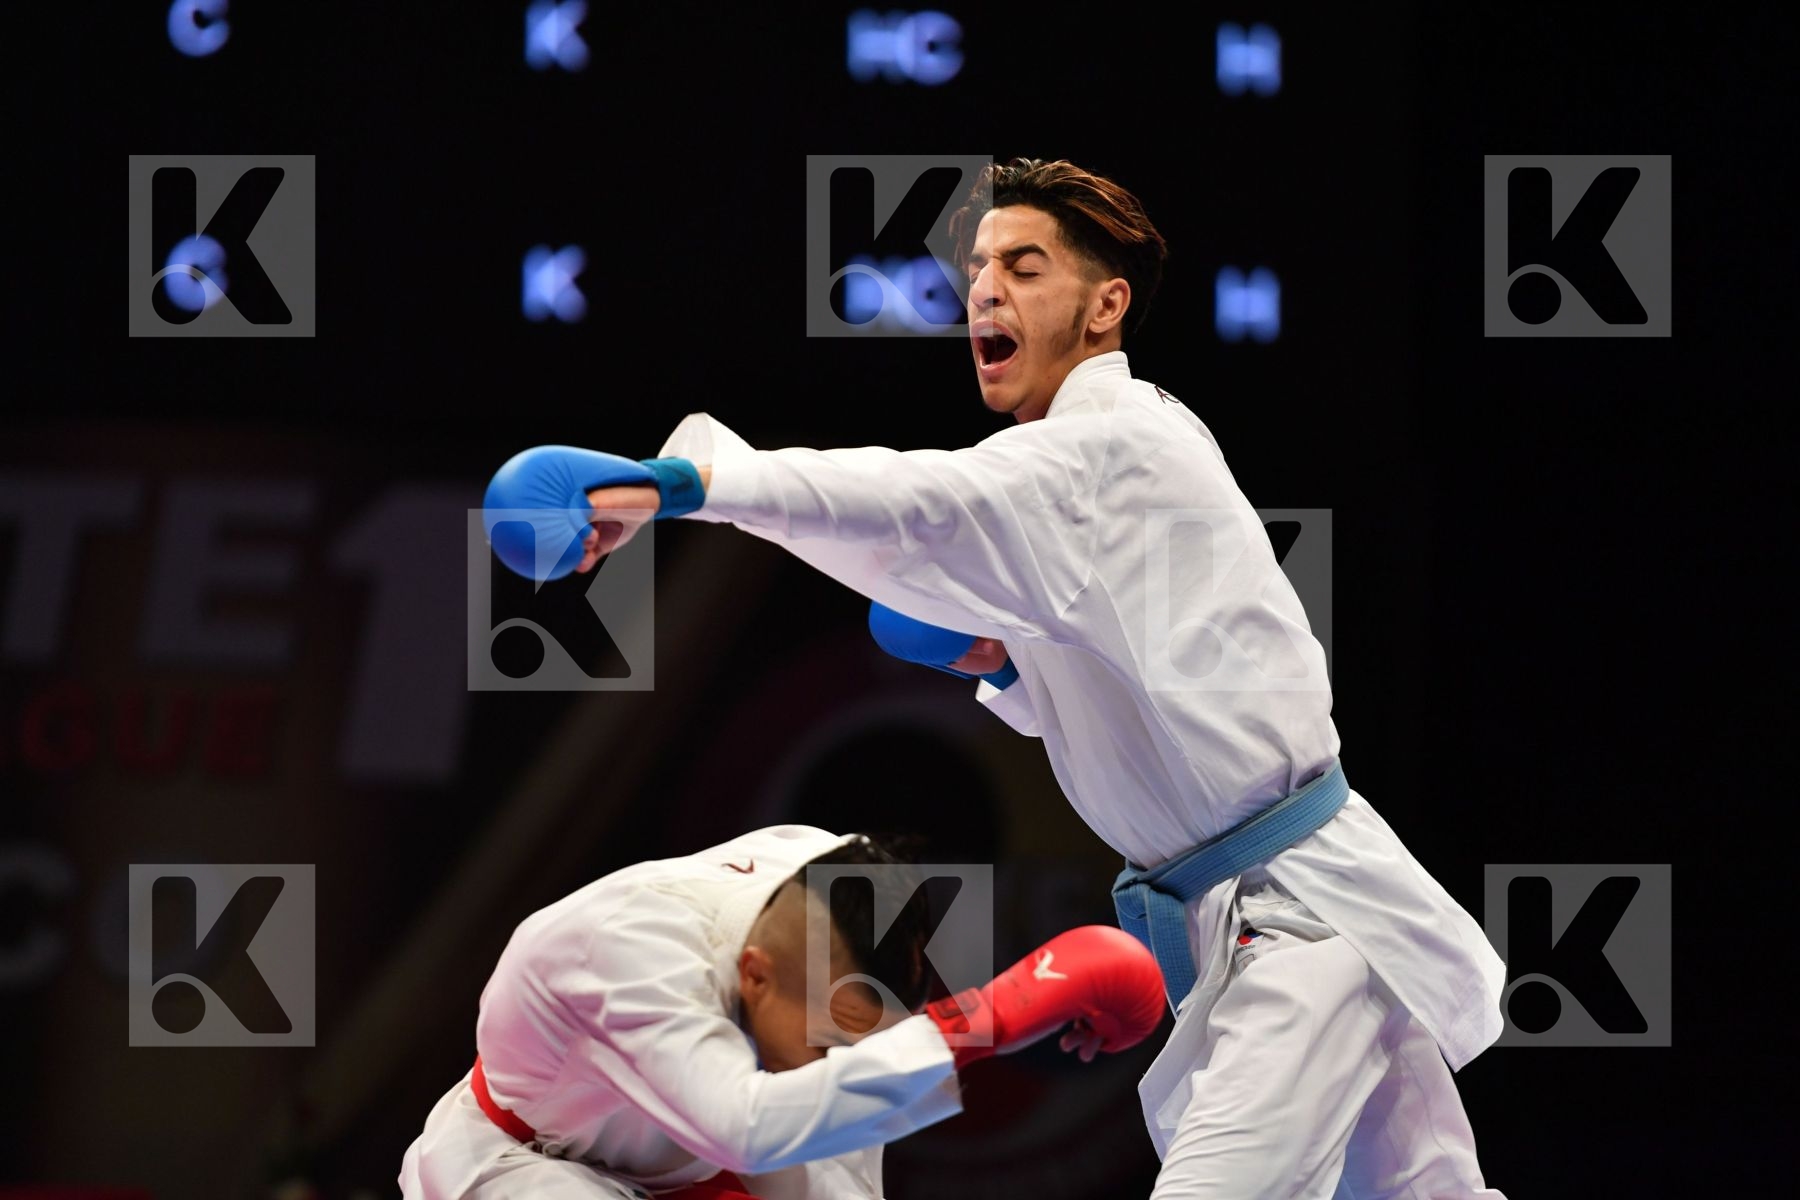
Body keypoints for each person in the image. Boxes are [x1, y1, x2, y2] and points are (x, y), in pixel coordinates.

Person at [483, 157, 1510, 1197]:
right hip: (1305, 910)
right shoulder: (1111, 454)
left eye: (1024, 266)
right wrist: (1015, 661)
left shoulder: (1105, 449)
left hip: (1302, 924)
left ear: (1107, 304)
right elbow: (1155, 672)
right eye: (978, 267)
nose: (985, 287)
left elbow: (911, 502)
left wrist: (684, 485)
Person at [398, 824, 1164, 1199]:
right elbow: (749, 1130)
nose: (837, 1065)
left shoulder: (831, 886)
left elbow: (847, 1078)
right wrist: (1000, 1014)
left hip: (703, 1136)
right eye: (824, 1043)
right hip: (531, 1165)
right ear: (753, 977)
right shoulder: (621, 954)